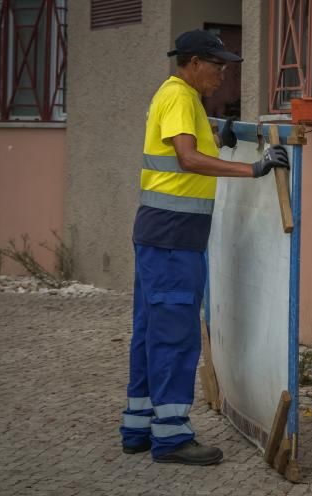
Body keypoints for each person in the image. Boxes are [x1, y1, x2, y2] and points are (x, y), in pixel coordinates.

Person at [119, 30, 289, 465]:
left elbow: (192, 150)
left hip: (160, 235)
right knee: (174, 337)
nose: (223, 72)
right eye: (217, 64)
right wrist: (254, 168)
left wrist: (224, 138)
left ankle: (139, 427)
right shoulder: (178, 97)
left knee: (150, 332)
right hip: (174, 239)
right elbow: (188, 158)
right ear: (193, 62)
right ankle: (172, 438)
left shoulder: (181, 98)